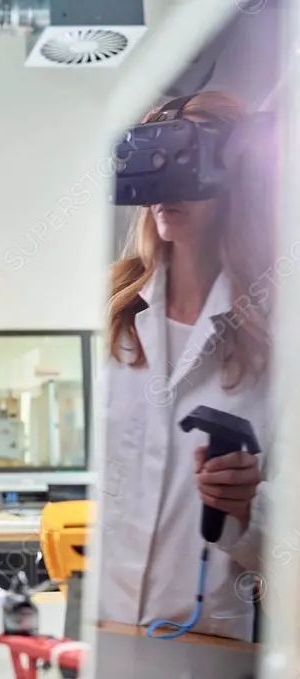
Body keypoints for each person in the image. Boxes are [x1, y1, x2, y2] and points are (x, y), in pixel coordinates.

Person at [98, 90, 277, 641]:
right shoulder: (112, 310)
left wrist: (247, 510)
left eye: (185, 158)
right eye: (155, 161)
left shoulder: (276, 337)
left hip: (210, 646)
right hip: (101, 633)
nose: (165, 184)